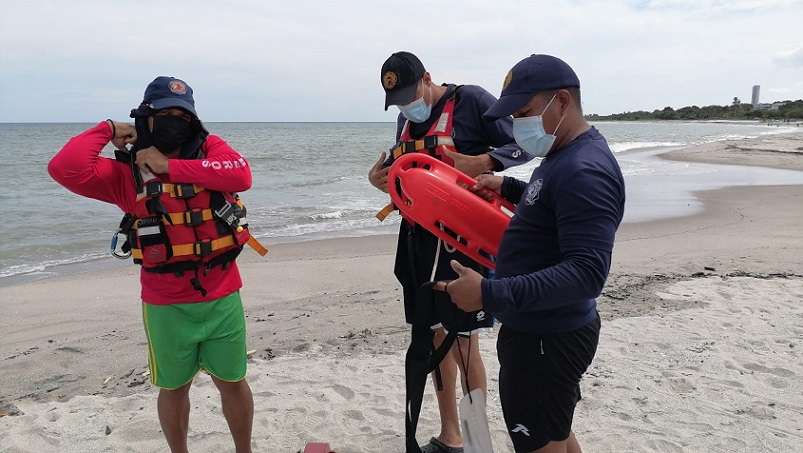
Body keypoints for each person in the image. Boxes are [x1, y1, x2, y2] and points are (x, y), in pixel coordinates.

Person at [48, 76, 265, 453]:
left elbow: (241, 173)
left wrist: (172, 166)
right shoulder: (127, 177)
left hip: (223, 296)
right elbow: (65, 168)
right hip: (166, 306)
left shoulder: (210, 151)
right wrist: (110, 128)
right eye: (165, 113)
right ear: (146, 118)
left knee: (233, 382)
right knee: (174, 387)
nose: (175, 121)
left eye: (183, 115)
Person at [436, 54, 626, 453]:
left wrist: (488, 295)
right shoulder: (564, 153)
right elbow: (554, 211)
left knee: (541, 441)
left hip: (547, 339)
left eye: (524, 112)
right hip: (544, 333)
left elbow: (587, 273)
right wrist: (506, 186)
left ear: (561, 102)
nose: (518, 123)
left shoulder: (584, 169)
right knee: (554, 433)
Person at [368, 51, 531, 453]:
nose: (407, 105)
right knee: (431, 335)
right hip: (417, 241)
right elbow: (405, 174)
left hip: (462, 242)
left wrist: (485, 161)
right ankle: (450, 434)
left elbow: (522, 145)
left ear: (427, 78)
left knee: (464, 340)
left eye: (410, 93)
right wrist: (379, 181)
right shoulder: (405, 118)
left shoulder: (471, 100)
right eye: (399, 100)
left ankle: (477, 440)